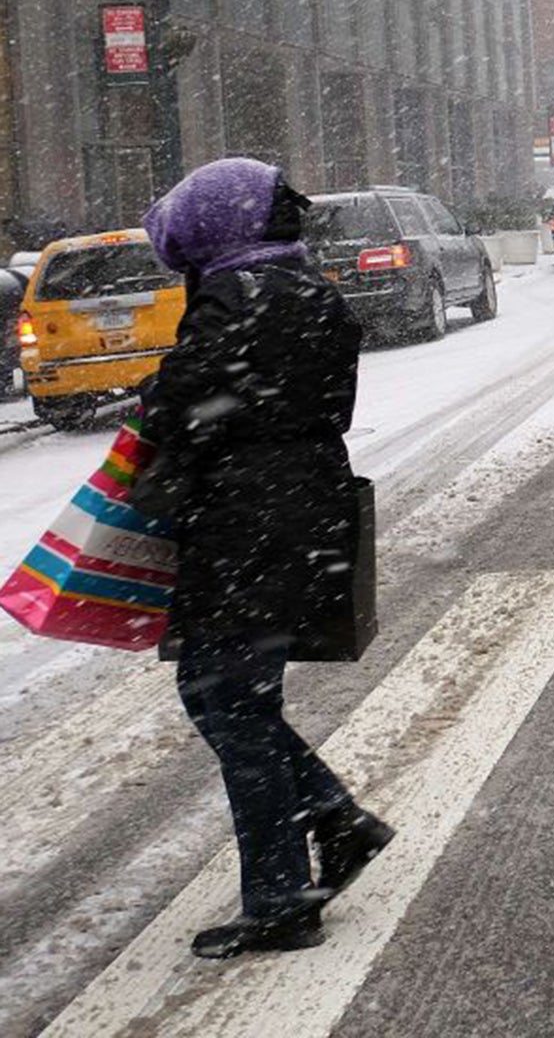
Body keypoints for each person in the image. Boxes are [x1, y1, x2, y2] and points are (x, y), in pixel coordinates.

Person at [132, 157, 391, 960]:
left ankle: (283, 896)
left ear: (220, 223)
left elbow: (183, 406)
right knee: (233, 698)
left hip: (246, 522)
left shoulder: (236, 296)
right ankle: (336, 823)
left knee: (226, 701)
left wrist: (166, 396)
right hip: (302, 506)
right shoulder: (310, 289)